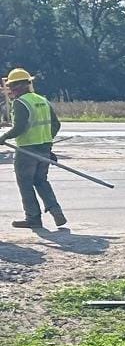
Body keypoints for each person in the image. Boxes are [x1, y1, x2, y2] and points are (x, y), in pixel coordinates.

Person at [5, 68, 66, 230]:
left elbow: (19, 127)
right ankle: (56, 211)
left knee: (25, 184)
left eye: (11, 86)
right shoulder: (42, 100)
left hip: (26, 151)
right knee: (41, 181)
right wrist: (47, 143)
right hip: (44, 150)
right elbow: (56, 125)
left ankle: (33, 218)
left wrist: (3, 138)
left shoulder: (20, 103)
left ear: (18, 86)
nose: (10, 89)